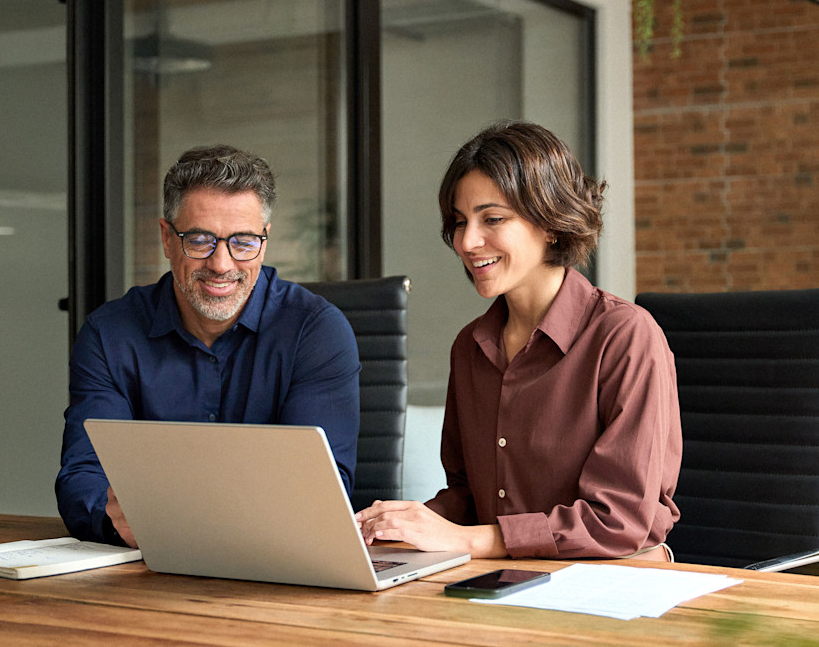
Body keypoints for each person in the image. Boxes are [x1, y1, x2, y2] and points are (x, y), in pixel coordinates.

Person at [357, 121, 682, 560]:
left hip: (606, 583)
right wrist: (401, 522)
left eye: (492, 219)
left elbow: (618, 521)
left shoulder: (625, 337)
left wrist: (469, 540)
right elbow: (471, 497)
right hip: (503, 579)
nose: (468, 242)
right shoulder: (470, 347)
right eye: (459, 222)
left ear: (550, 222)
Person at [56, 144, 361, 547]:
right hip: (146, 564)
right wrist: (116, 519)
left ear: (264, 242)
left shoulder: (316, 332)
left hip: (278, 565)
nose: (221, 264)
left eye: (243, 241)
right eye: (199, 240)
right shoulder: (108, 335)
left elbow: (322, 489)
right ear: (167, 238)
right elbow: (83, 477)